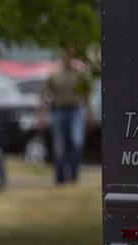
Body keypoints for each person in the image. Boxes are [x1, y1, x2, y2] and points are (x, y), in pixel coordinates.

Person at [37, 47, 92, 185]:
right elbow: (42, 95)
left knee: (77, 142)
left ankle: (74, 176)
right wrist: (40, 116)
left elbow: (86, 95)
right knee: (59, 148)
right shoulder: (55, 74)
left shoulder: (78, 74)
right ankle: (60, 179)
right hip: (58, 111)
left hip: (75, 111)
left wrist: (89, 114)